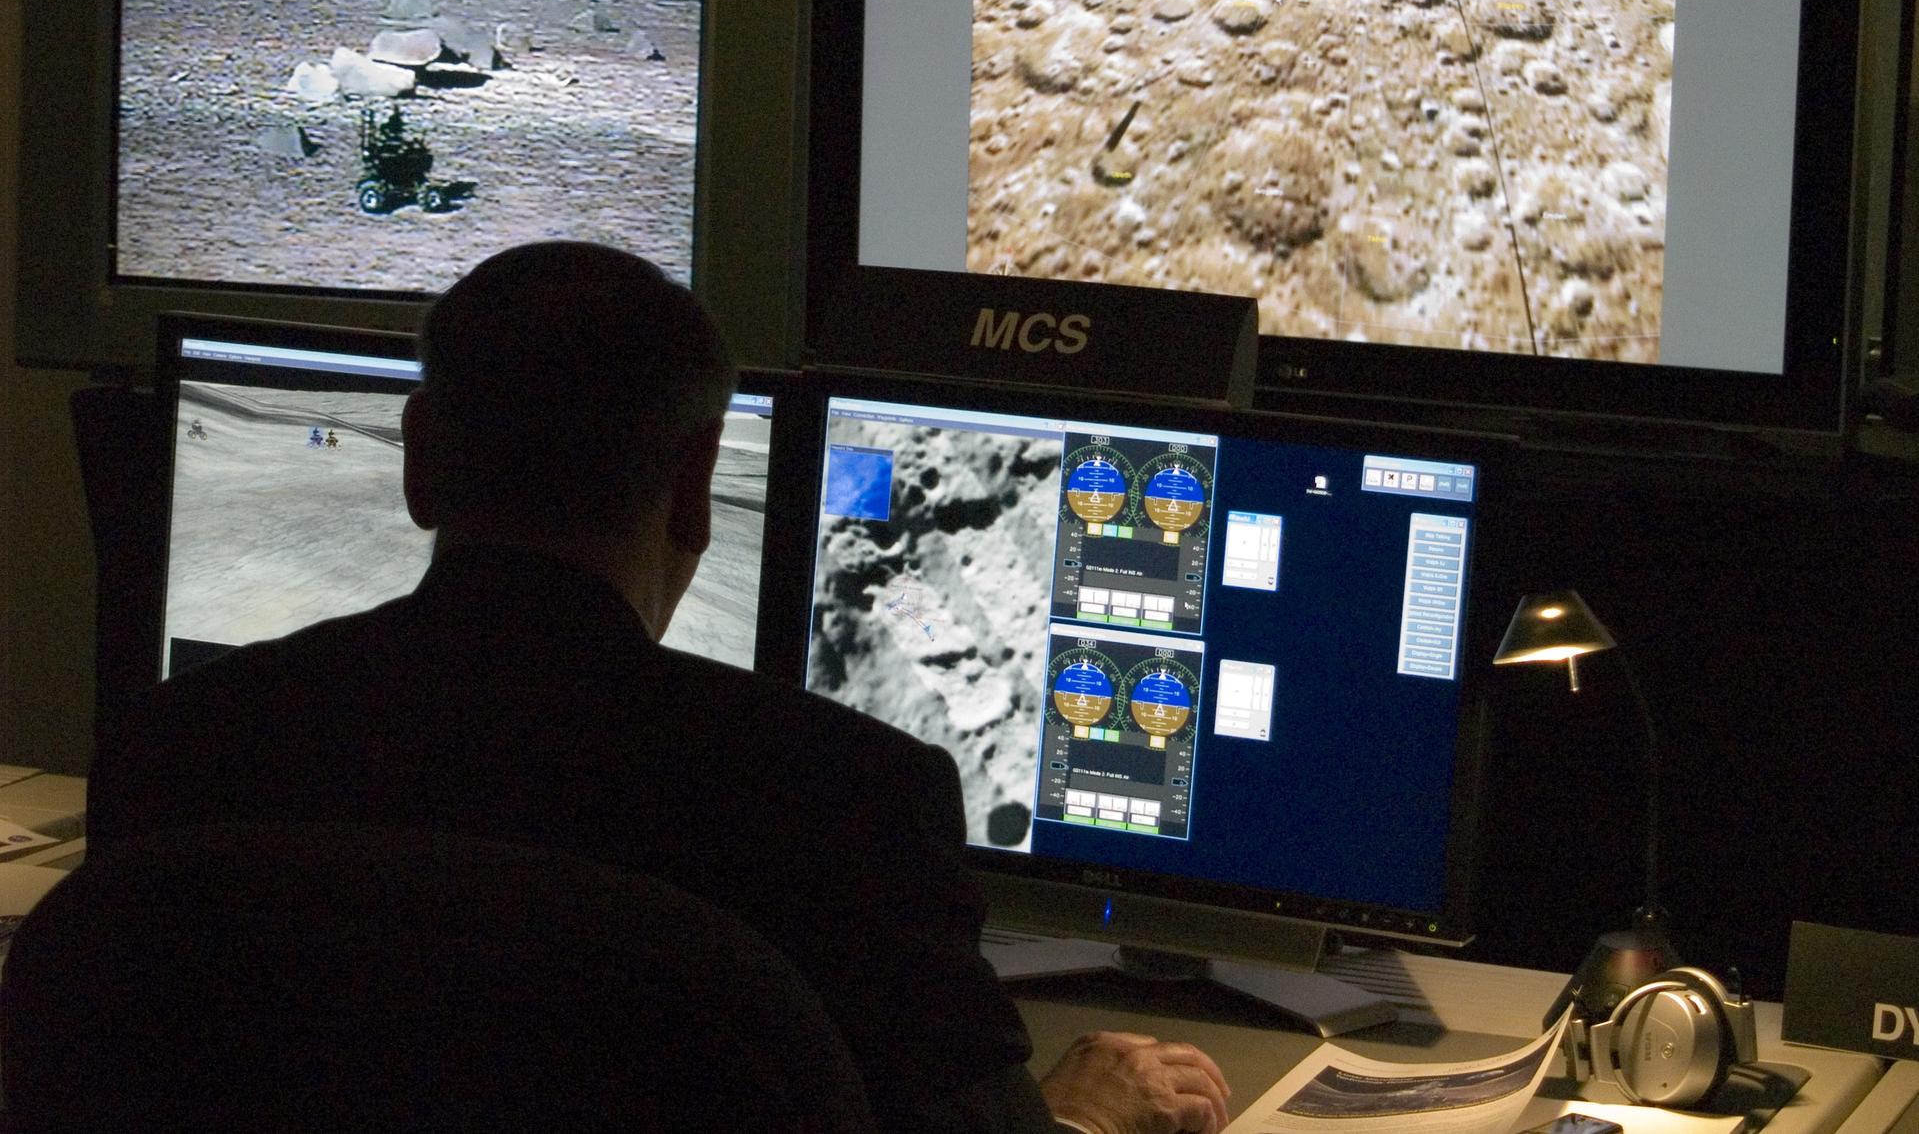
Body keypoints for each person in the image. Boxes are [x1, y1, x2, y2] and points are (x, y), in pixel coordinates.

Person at [87, 242, 1230, 1134]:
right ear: (693, 489)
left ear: (419, 458)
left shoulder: (183, 743)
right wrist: (1081, 1115)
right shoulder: (845, 801)